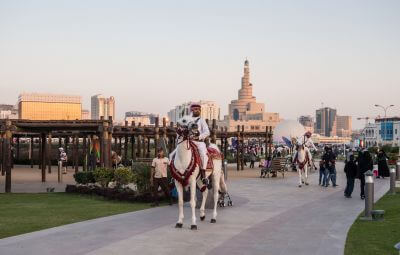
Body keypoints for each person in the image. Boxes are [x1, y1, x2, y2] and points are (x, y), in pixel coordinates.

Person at [187, 103, 211, 186]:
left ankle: (203, 174)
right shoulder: (187, 120)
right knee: (176, 151)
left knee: (204, 155)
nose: (196, 111)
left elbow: (207, 132)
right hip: (188, 141)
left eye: (198, 109)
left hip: (199, 142)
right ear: (192, 110)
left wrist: (199, 137)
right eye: (195, 109)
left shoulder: (201, 120)